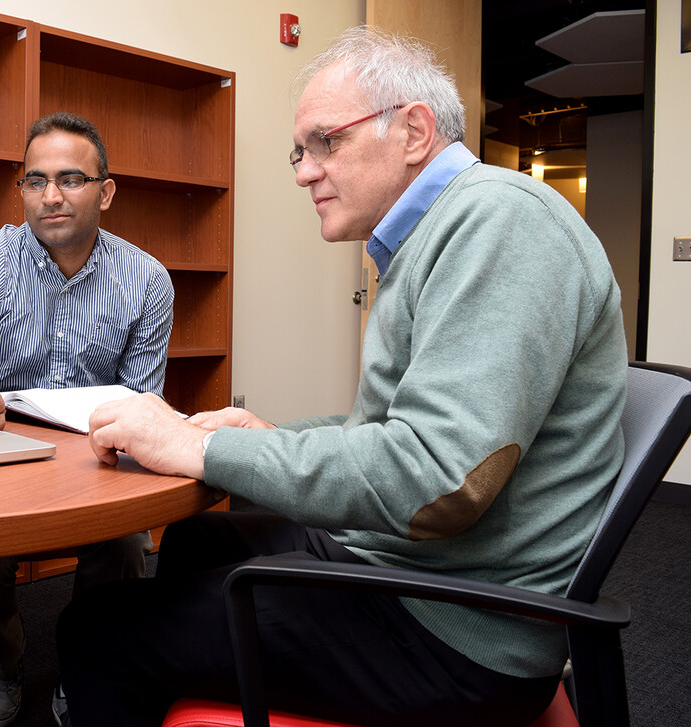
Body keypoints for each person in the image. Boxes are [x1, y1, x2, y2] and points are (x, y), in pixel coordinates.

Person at [56, 26, 627, 727]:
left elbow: (438, 481)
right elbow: (396, 429)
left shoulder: (501, 223)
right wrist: (269, 436)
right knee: (200, 541)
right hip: (418, 573)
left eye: (326, 142)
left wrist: (204, 449)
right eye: (301, 151)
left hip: (456, 630)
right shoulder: (438, 234)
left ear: (413, 130)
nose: (303, 171)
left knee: (97, 633)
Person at [0, 111, 174, 727]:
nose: (51, 196)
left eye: (71, 179)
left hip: (96, 455)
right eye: (35, 180)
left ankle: (88, 661)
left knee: (127, 546)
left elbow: (141, 399)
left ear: (105, 192)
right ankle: (4, 657)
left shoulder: (147, 279)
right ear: (22, 190)